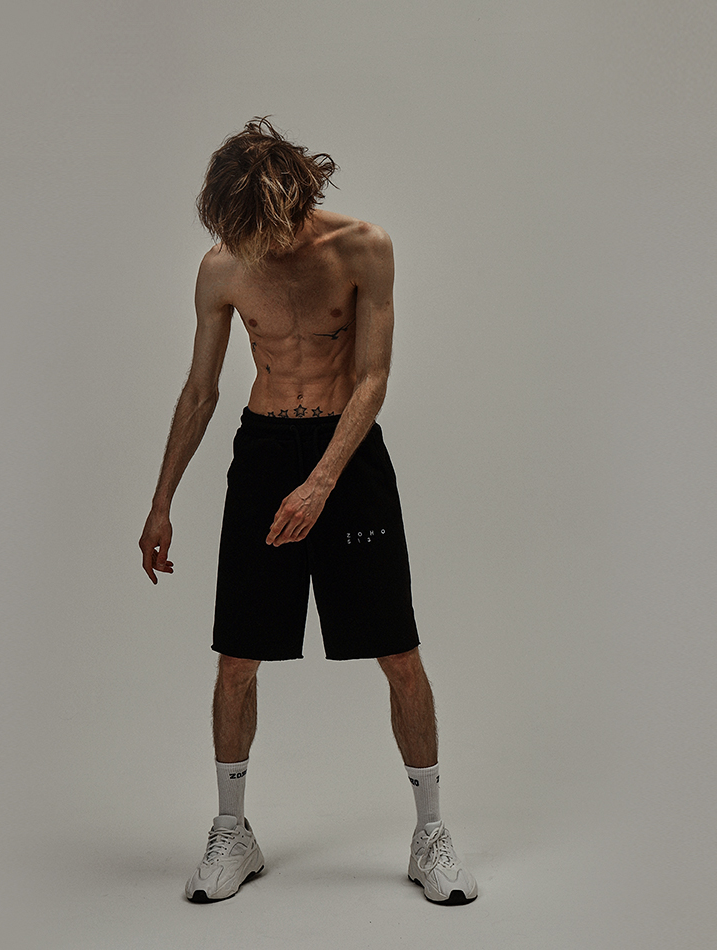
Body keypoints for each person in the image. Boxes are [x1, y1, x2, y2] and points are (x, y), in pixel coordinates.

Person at [138, 117, 477, 906]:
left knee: (398, 652)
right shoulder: (223, 266)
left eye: (268, 227)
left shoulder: (364, 248)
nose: (260, 245)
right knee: (237, 659)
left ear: (295, 196)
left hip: (348, 459)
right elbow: (200, 391)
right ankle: (233, 831)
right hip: (263, 455)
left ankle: (430, 834)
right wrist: (161, 502)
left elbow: (373, 378)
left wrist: (322, 481)